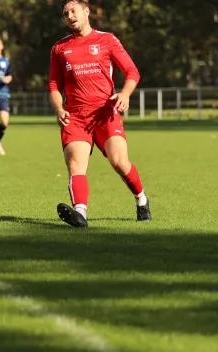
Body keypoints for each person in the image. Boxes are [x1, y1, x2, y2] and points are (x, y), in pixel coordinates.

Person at [48, 0, 151, 228]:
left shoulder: (107, 40)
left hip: (105, 113)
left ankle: (141, 199)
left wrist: (124, 93)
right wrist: (59, 109)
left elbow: (132, 71)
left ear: (86, 12)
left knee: (119, 162)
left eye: (73, 11)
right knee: (75, 164)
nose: (70, 16)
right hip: (75, 117)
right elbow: (54, 85)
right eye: (65, 13)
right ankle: (80, 213)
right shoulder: (59, 48)